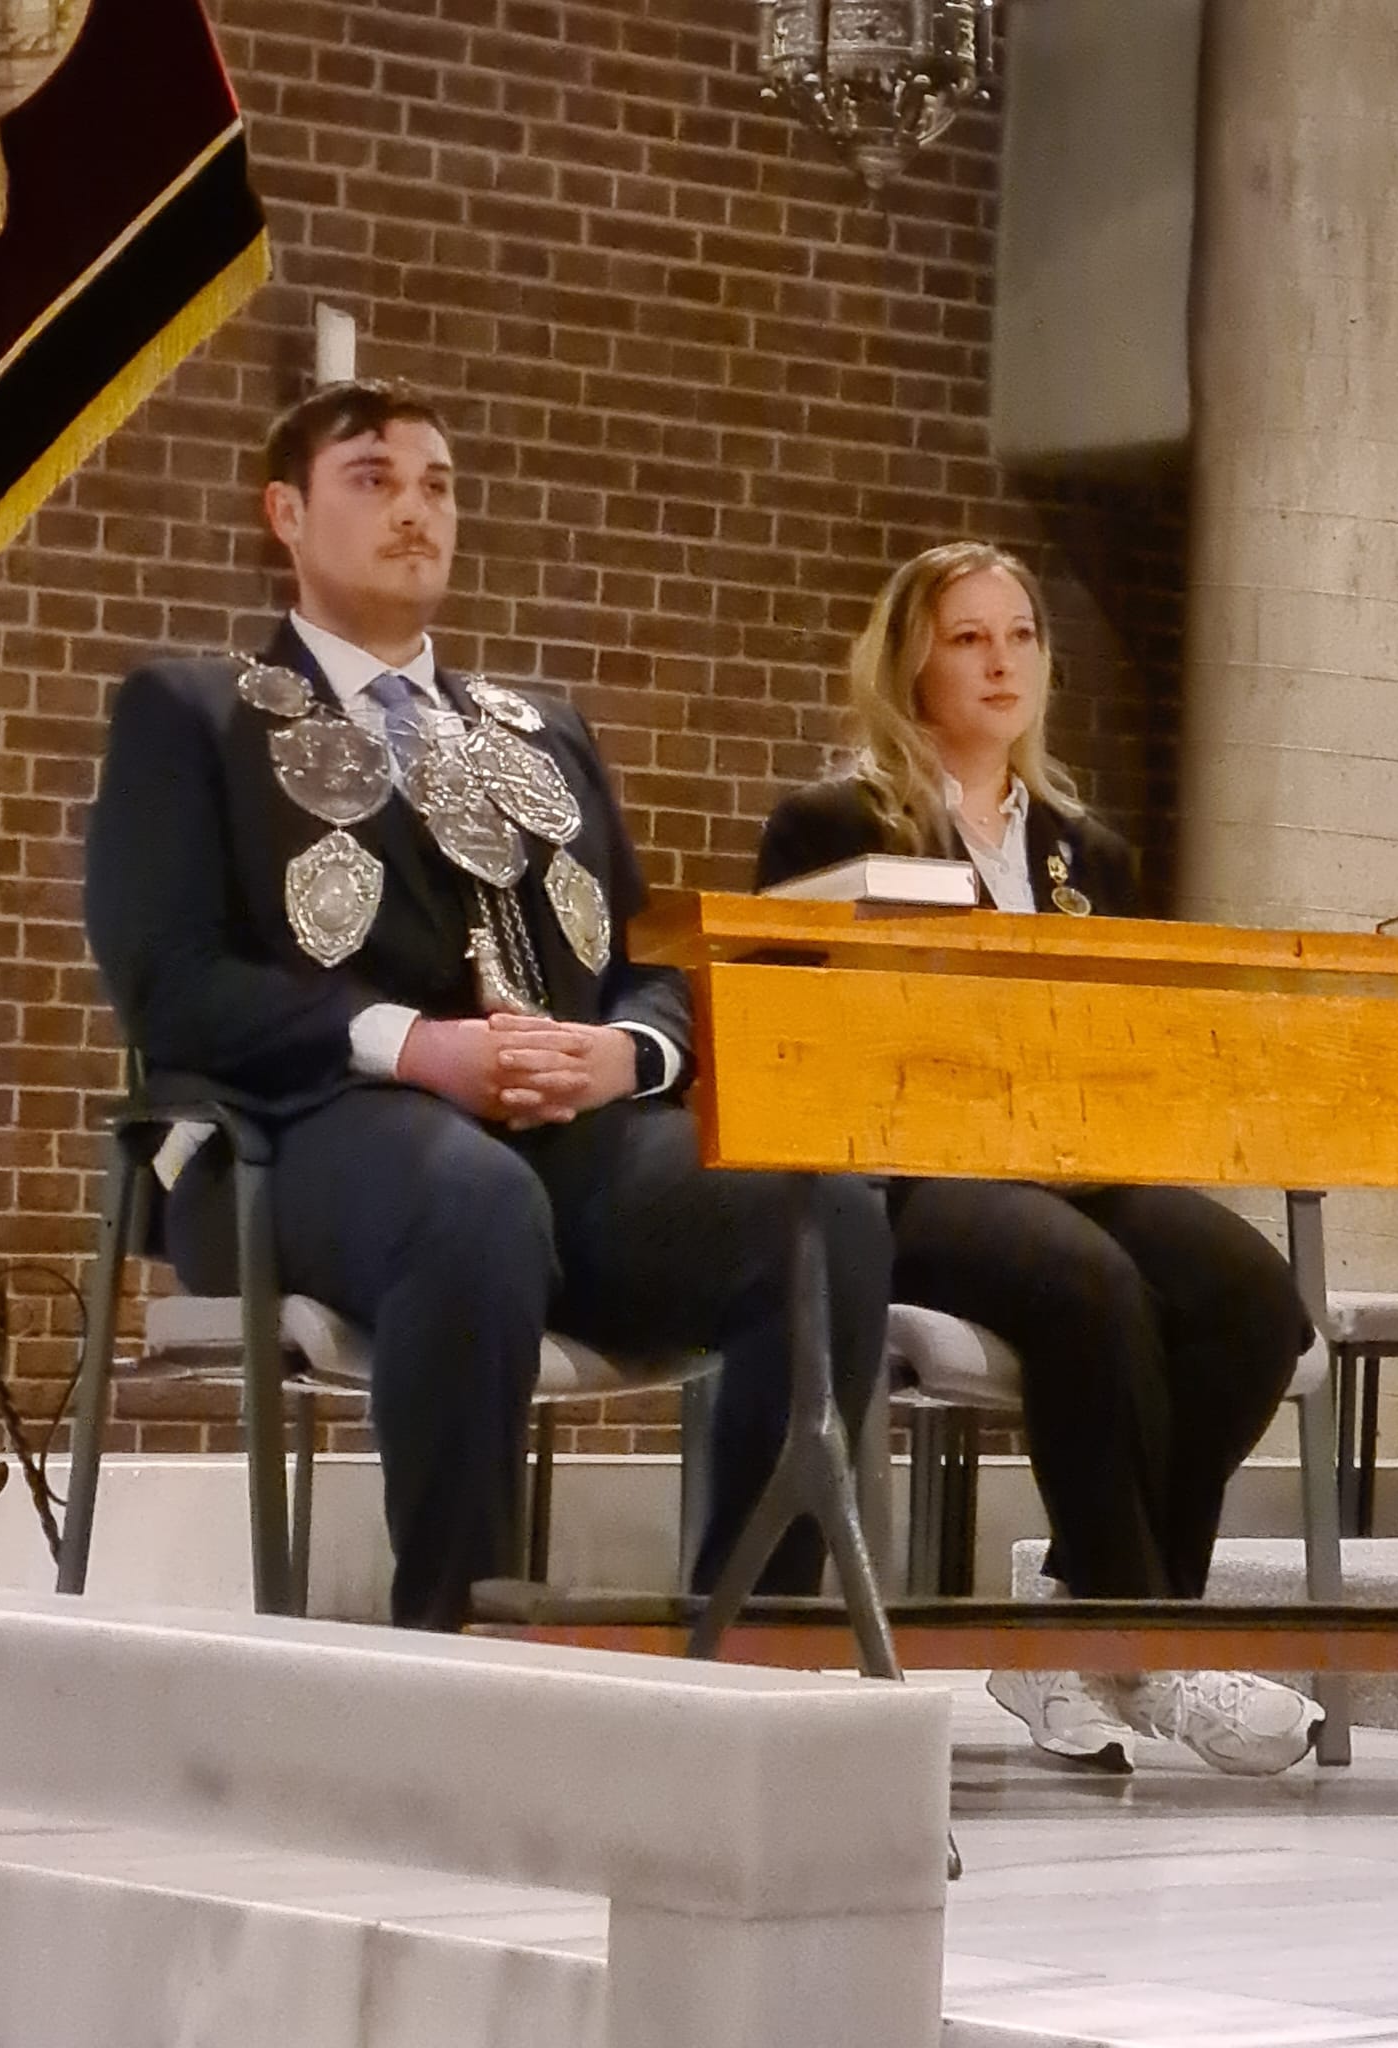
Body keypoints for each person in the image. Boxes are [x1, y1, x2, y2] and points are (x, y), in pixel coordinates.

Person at [85, 379, 890, 1630]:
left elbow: (646, 962)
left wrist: (625, 1052)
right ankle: (459, 1637)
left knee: (820, 1210)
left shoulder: (542, 728)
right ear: (285, 513)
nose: (415, 510)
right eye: (373, 480)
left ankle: (740, 1636)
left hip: (557, 1139)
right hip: (296, 1136)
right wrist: (416, 1046)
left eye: (437, 486)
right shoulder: (191, 713)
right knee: (472, 1201)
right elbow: (170, 984)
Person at [756, 539, 1323, 1776]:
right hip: (906, 1173)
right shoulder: (833, 824)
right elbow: (790, 1024)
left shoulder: (1085, 852)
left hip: (1072, 1158)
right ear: (910, 660)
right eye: (967, 637)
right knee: (1088, 1282)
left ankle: (1084, 1623)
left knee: (1250, 1300)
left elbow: (1125, 1035)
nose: (999, 661)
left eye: (1019, 635)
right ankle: (1148, 1648)